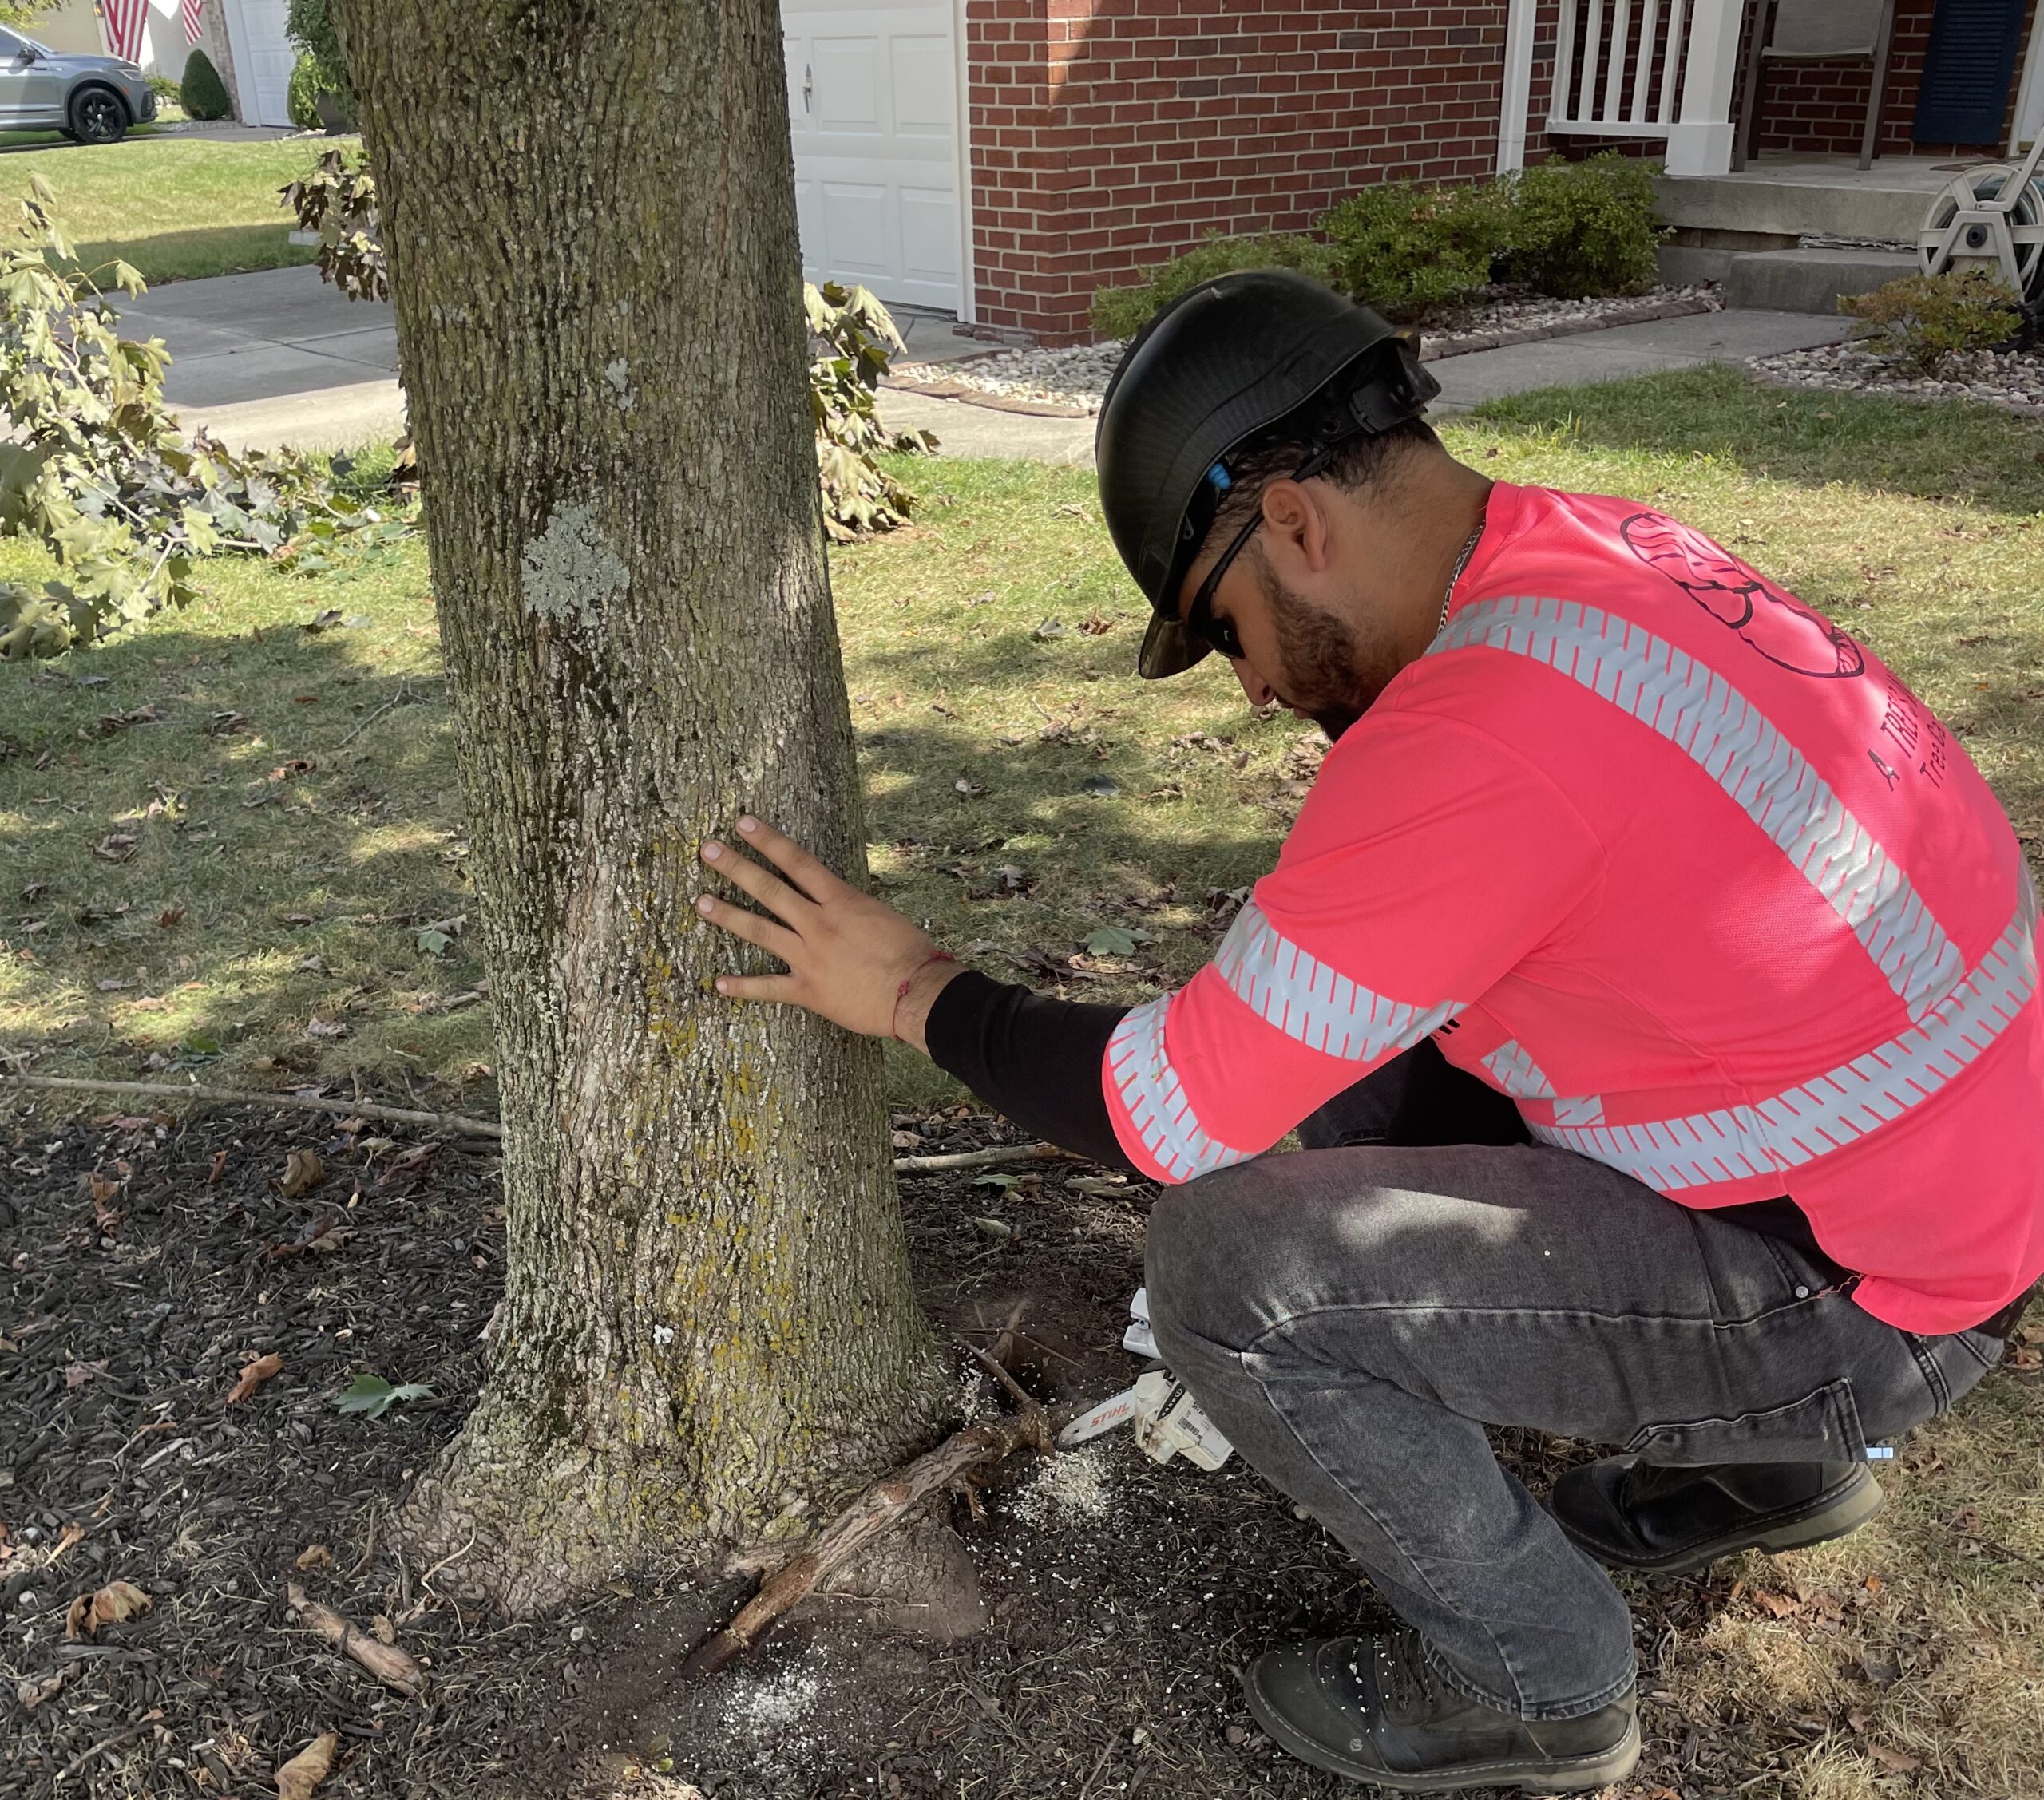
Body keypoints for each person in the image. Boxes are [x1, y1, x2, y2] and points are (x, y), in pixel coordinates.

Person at [692, 271, 2043, 1794]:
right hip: (1943, 1195)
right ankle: (1774, 1469)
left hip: (1869, 1300)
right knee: (1346, 1064)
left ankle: (1538, 1685)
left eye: (1224, 633)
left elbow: (1163, 1117)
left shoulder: (1481, 732)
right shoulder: (1593, 548)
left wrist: (910, 991)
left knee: (1231, 1272)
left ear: (1292, 525)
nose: (1258, 686)